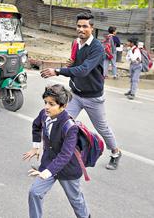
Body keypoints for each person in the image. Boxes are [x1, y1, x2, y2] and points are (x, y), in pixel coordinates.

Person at [40, 12, 122, 170]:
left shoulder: (98, 48)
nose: (81, 29)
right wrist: (69, 64)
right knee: (58, 122)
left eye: (85, 26)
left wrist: (57, 71)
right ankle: (51, 159)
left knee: (102, 128)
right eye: (79, 26)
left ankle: (115, 152)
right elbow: (75, 64)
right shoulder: (75, 43)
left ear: (92, 28)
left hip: (93, 97)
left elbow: (84, 70)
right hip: (76, 94)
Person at [23, 84, 90, 218]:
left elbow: (65, 155)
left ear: (63, 106)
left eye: (51, 104)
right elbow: (36, 125)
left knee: (76, 200)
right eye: (45, 102)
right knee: (35, 192)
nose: (47, 107)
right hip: (49, 163)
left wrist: (46, 173)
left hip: (68, 168)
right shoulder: (44, 114)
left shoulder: (70, 127)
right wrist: (36, 147)